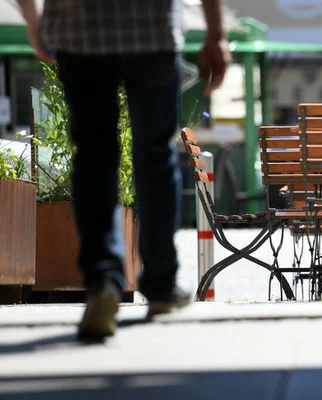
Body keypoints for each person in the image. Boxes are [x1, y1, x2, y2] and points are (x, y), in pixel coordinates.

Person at [17, 0, 231, 339]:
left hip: (80, 30)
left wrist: (34, 20)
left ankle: (103, 281)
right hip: (154, 29)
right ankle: (161, 286)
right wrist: (216, 33)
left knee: (93, 156)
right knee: (155, 155)